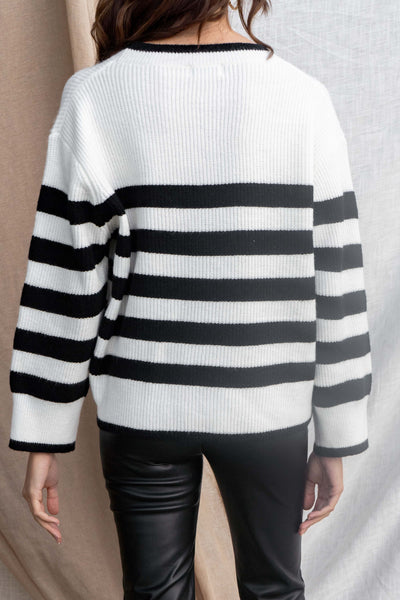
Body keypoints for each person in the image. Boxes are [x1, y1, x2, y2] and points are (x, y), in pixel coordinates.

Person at [8, 1, 372, 598]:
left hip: (143, 404)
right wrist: (338, 431)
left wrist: (44, 430)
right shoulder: (303, 98)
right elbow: (337, 278)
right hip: (267, 404)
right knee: (275, 589)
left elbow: (65, 274)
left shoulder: (96, 95)